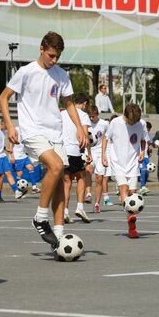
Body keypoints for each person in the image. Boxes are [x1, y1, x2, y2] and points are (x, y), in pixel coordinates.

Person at [0, 31, 87, 249]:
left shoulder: (61, 75)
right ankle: (40, 217)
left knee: (58, 182)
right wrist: (10, 126)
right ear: (41, 48)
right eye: (50, 55)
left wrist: (79, 128)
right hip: (32, 130)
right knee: (56, 166)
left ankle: (58, 239)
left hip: (55, 132)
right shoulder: (26, 72)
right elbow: (3, 97)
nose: (53, 60)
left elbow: (68, 104)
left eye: (57, 56)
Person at [102, 103, 146, 238]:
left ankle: (130, 218)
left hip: (132, 162)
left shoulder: (141, 124)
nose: (132, 123)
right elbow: (105, 137)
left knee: (132, 193)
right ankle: (131, 222)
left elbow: (143, 140)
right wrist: (104, 155)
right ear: (125, 116)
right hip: (118, 162)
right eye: (130, 121)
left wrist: (142, 152)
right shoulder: (115, 122)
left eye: (135, 122)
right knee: (123, 188)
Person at [61, 94, 92, 223]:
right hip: (75, 150)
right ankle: (80, 206)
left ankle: (65, 211)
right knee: (81, 177)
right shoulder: (83, 115)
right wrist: (89, 152)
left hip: (62, 151)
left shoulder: (62, 113)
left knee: (66, 182)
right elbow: (84, 134)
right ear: (84, 103)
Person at [0, 119, 25, 203]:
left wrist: (6, 149)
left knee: (8, 173)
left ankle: (16, 191)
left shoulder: (2, 132)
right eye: (6, 125)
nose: (7, 127)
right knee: (1, 176)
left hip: (3, 156)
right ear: (2, 123)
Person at [89, 105, 113, 207]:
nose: (91, 118)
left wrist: (106, 154)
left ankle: (97, 203)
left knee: (99, 178)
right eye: (90, 116)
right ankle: (88, 193)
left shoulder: (104, 124)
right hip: (89, 151)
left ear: (97, 114)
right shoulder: (86, 123)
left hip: (101, 152)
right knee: (88, 171)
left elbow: (107, 138)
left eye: (93, 116)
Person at [9, 127, 41, 194]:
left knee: (30, 168)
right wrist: (12, 157)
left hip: (24, 155)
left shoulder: (27, 131)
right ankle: (19, 191)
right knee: (19, 174)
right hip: (17, 157)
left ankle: (34, 187)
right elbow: (10, 145)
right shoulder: (15, 130)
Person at [138, 121, 153, 195]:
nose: (147, 130)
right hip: (140, 155)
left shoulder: (148, 135)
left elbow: (149, 144)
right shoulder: (139, 132)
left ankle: (142, 188)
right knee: (143, 170)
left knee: (147, 172)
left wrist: (150, 149)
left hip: (146, 156)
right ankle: (143, 187)